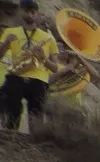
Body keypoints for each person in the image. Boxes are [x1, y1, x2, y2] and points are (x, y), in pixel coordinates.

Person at [0, 0, 57, 131]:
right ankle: (10, 142)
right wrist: (5, 43)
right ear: (21, 12)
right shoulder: (10, 32)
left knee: (36, 118)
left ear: (37, 14)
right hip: (16, 76)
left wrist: (44, 59)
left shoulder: (48, 38)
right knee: (11, 115)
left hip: (39, 80)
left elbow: (54, 68)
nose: (30, 15)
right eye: (27, 11)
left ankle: (36, 146)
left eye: (33, 12)